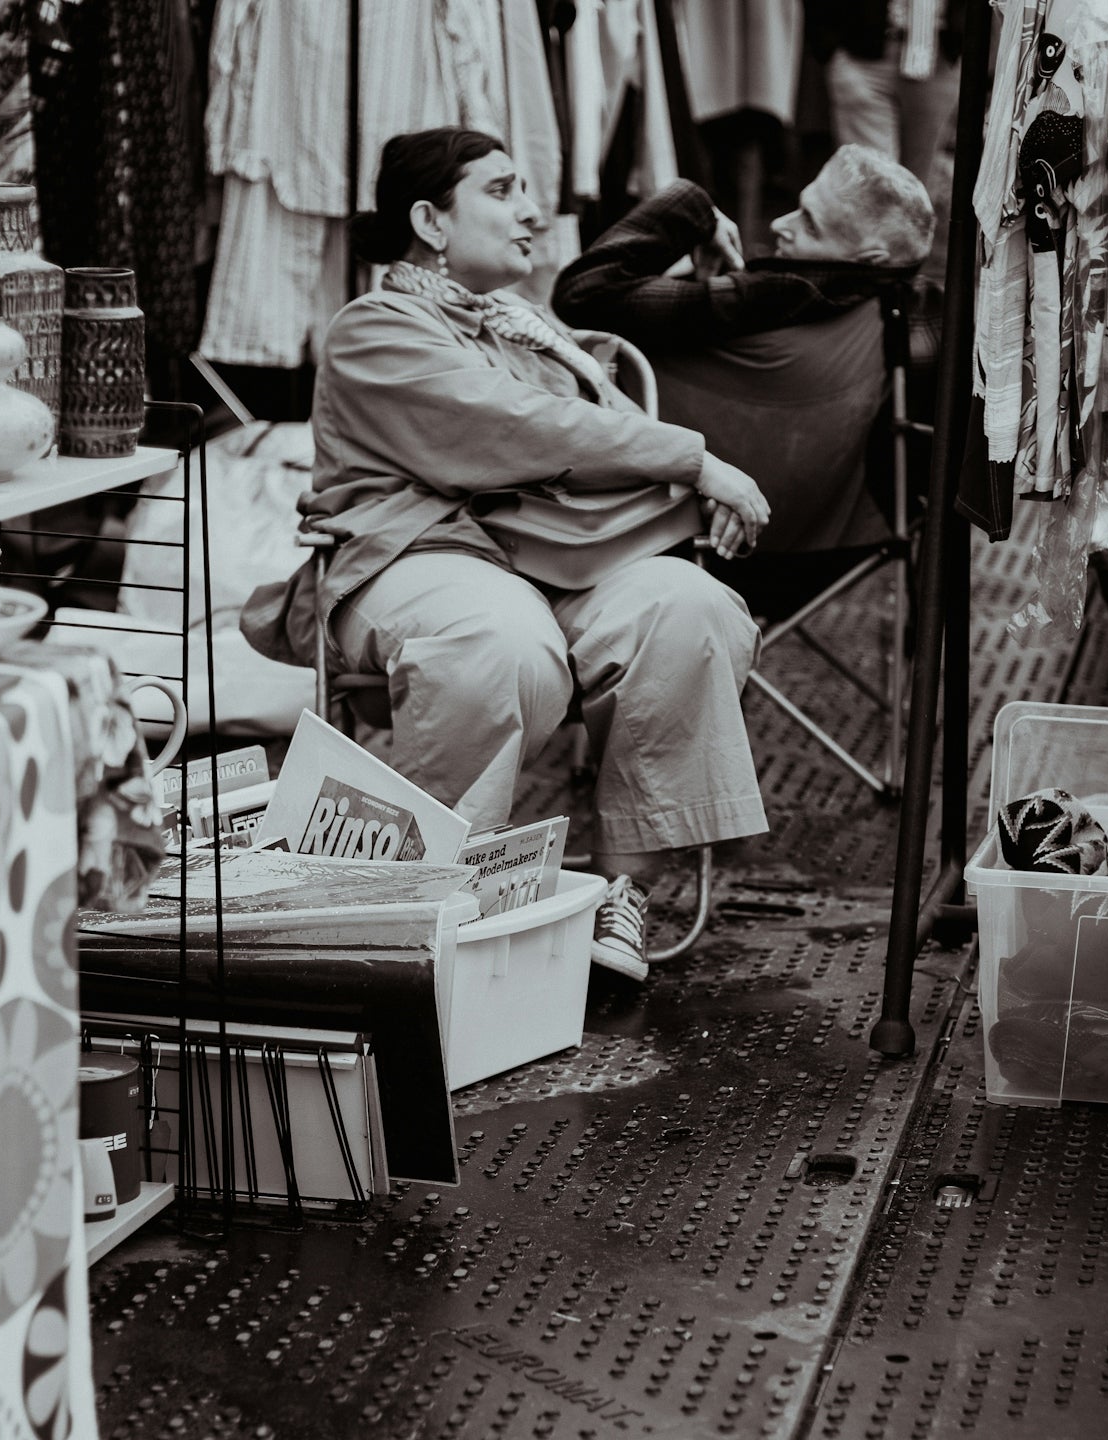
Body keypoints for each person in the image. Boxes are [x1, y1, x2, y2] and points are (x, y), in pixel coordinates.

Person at [240, 128, 771, 982]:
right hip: (414, 552)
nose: (531, 211)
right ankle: (441, 893)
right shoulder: (375, 326)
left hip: (547, 561)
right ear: (431, 220)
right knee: (499, 639)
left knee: (689, 606)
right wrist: (695, 461)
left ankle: (618, 896)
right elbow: (514, 430)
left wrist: (693, 229)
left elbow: (577, 440)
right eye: (503, 190)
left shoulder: (526, 330)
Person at [551, 147, 935, 558]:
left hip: (676, 544)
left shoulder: (763, 299)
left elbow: (582, 293)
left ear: (869, 258)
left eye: (809, 223)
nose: (778, 222)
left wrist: (693, 207)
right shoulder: (910, 311)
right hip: (828, 555)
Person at [804, 1, 965, 195]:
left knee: (917, 191)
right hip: (862, 53)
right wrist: (828, 44)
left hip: (938, 55)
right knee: (870, 185)